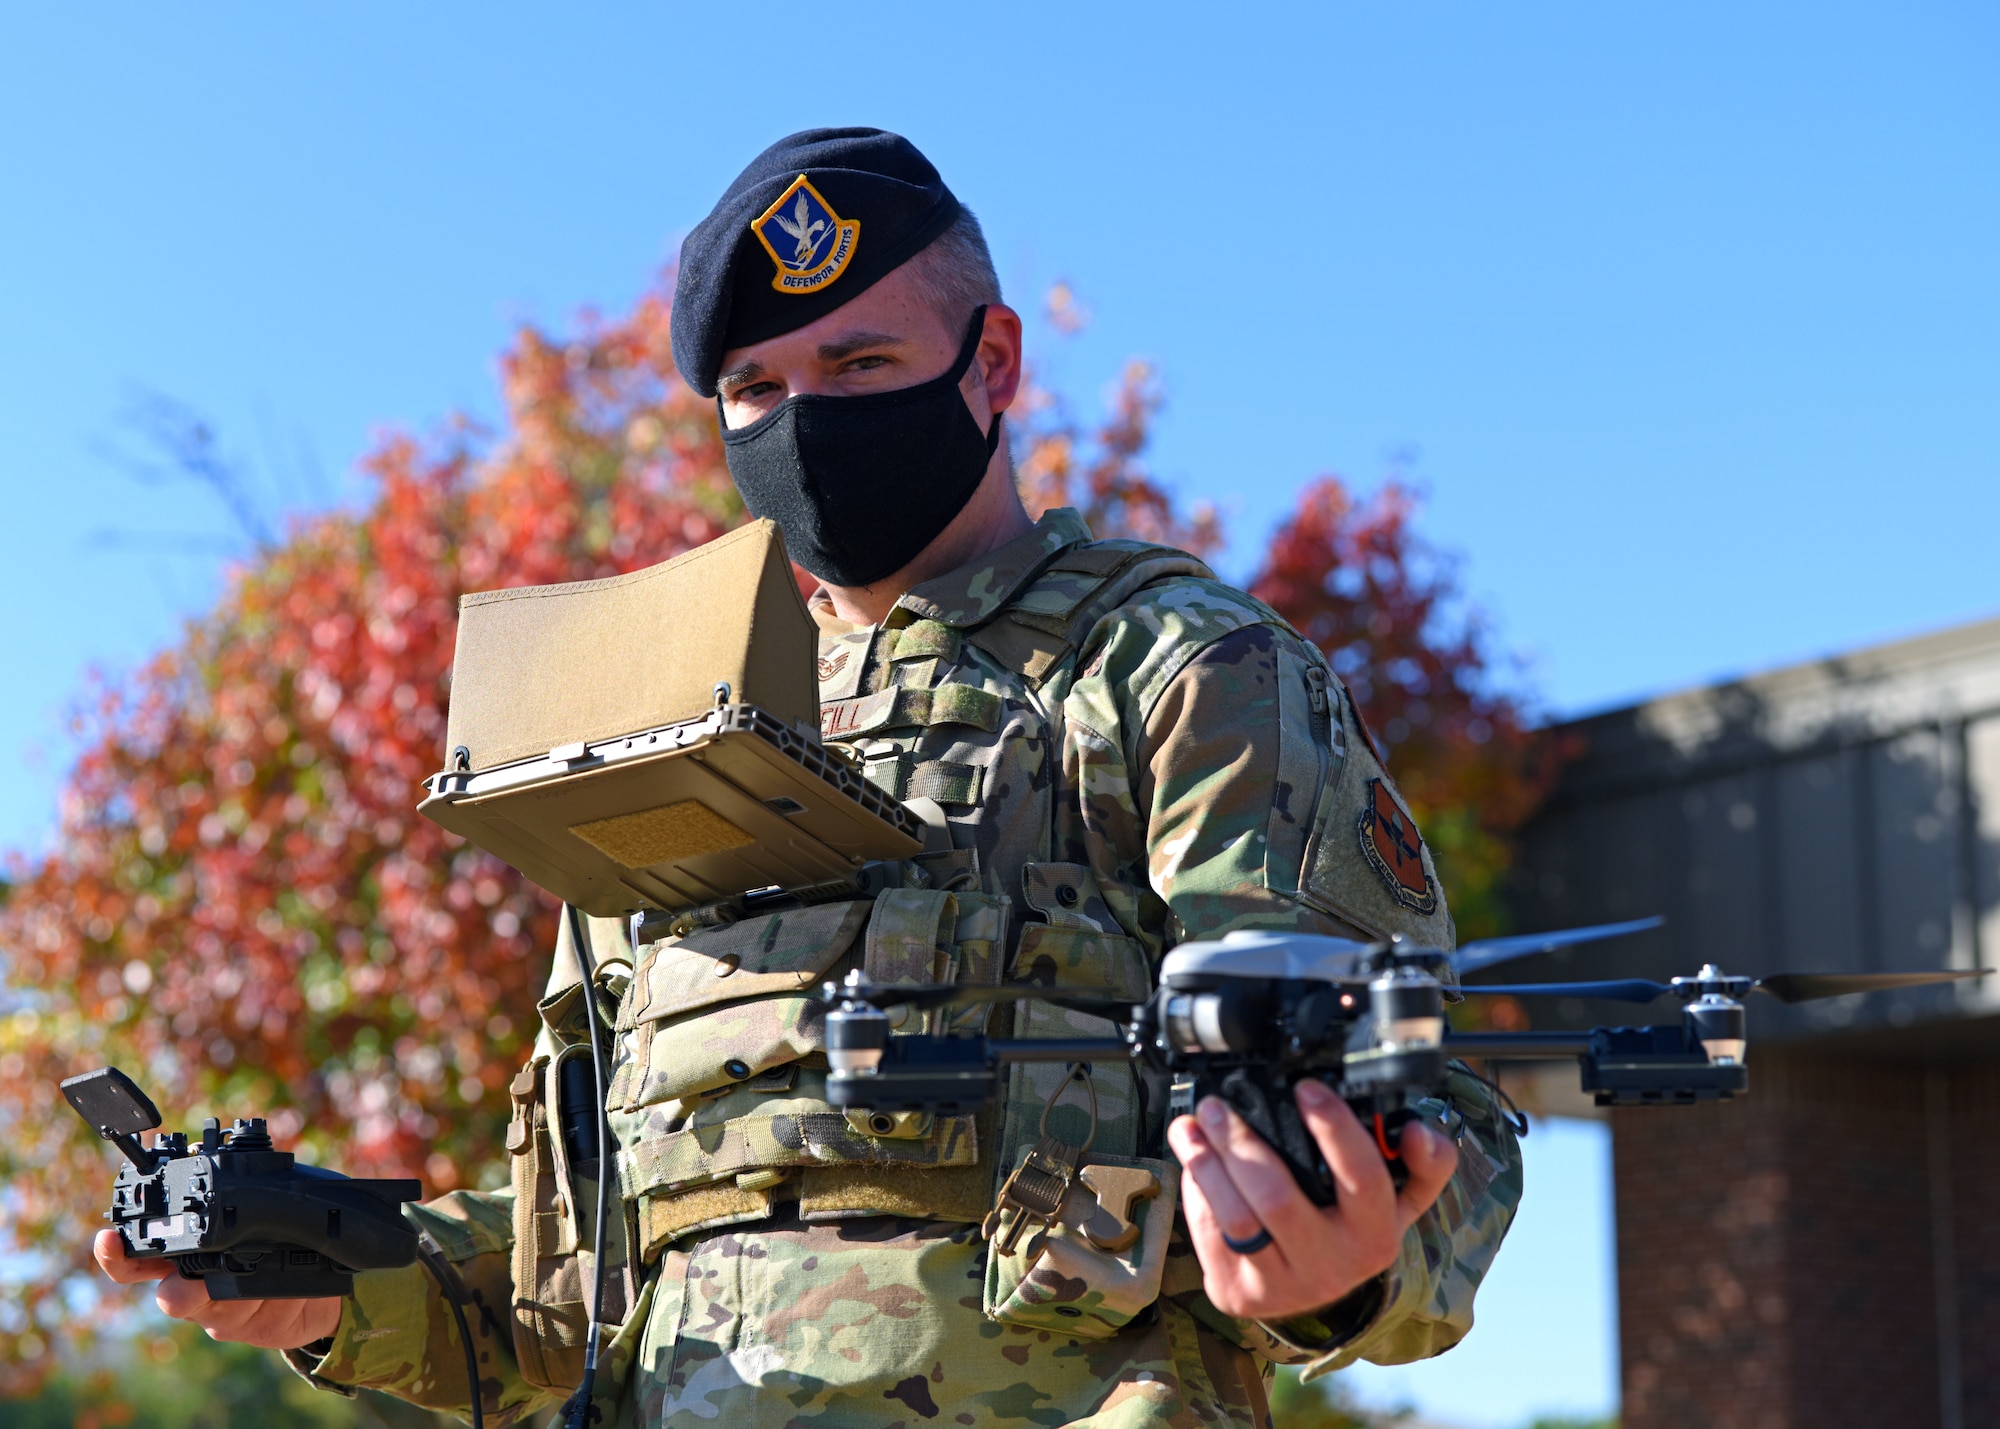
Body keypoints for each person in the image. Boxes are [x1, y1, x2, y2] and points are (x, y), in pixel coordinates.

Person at [96, 127, 1523, 1428]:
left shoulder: (1174, 671)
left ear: (994, 363)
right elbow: (559, 1295)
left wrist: (1344, 1264)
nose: (805, 420)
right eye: (755, 388)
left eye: (859, 368)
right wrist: (325, 1283)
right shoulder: (649, 742)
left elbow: (1444, 1124)